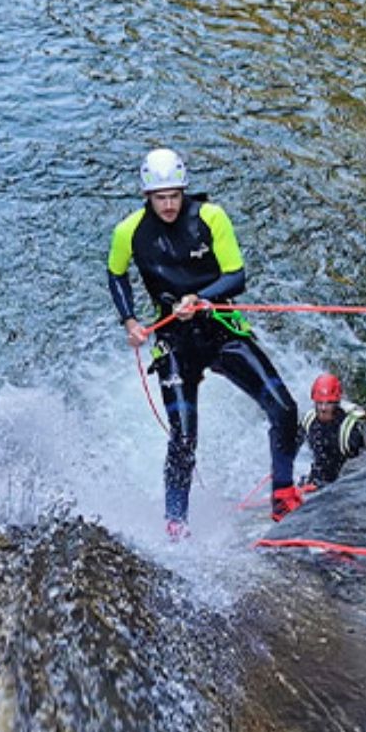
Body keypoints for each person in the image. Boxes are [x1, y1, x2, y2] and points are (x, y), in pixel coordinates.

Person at [106, 147, 301, 539]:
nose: (168, 205)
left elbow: (236, 275)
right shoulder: (128, 232)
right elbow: (116, 274)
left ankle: (283, 495)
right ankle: (176, 521)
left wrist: (200, 298)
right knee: (183, 437)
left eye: (174, 196)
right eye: (160, 198)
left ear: (184, 191)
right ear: (147, 196)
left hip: (221, 329)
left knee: (285, 409)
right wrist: (130, 321)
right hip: (174, 342)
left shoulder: (210, 218)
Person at [299, 372, 366, 492]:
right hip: (317, 478)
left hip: (342, 483)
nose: (323, 408)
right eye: (319, 403)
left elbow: (362, 465)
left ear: (336, 404)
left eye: (328, 403)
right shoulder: (309, 420)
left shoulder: (350, 431)